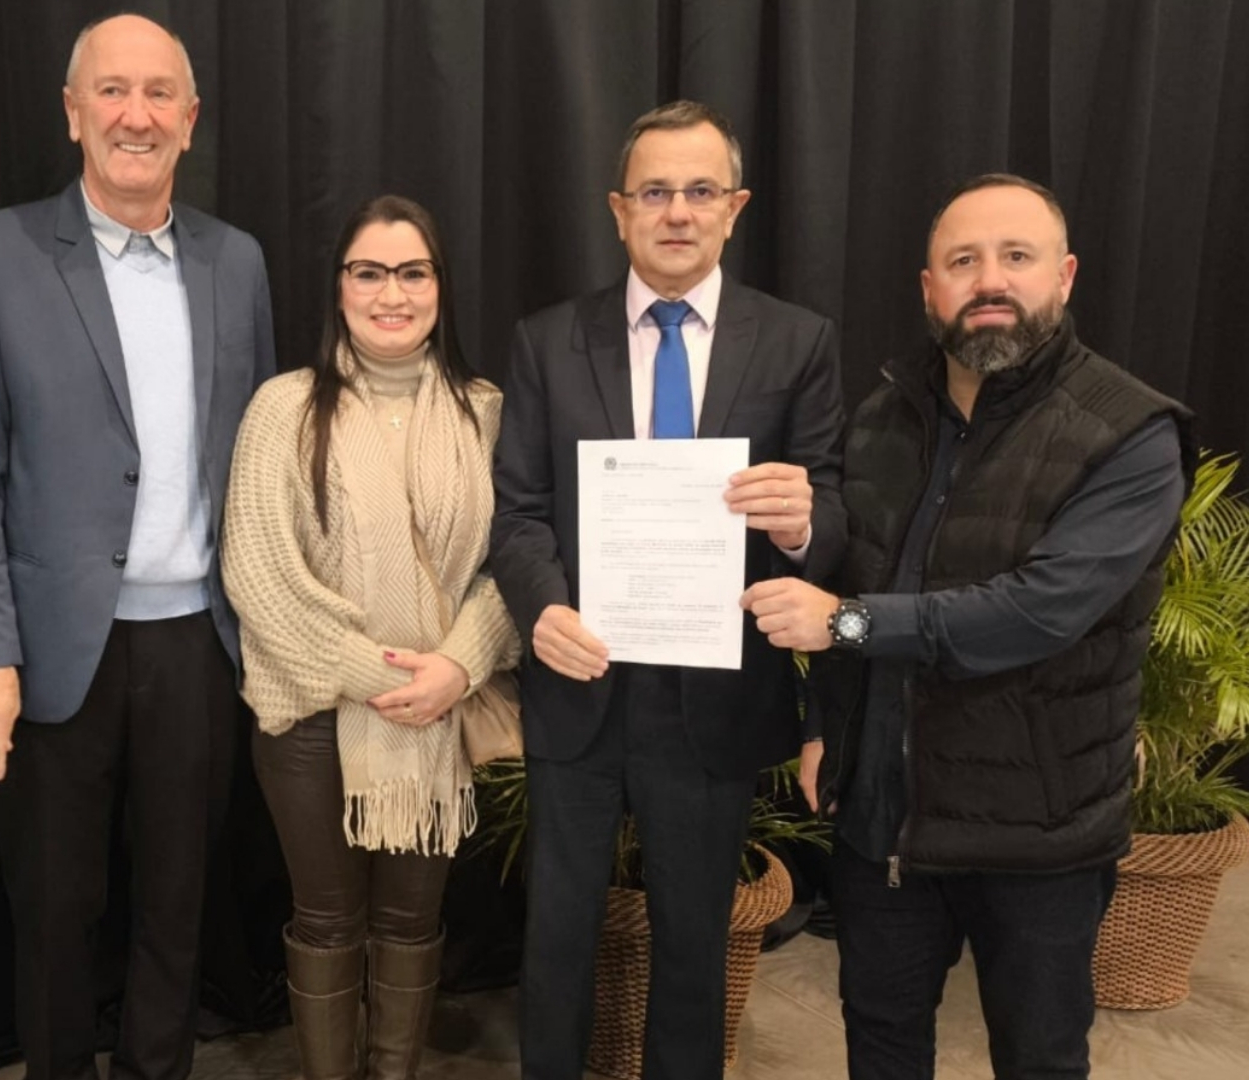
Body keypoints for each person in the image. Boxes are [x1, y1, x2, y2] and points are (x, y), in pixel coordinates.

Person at [741, 173, 1194, 1080]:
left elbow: (1040, 610)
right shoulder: (884, 417)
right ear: (929, 288)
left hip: (1038, 835)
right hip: (887, 823)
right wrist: (828, 727)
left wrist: (848, 626)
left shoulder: (1130, 434)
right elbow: (849, 570)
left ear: (1063, 275)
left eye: (1015, 256)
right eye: (963, 261)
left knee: (1040, 1057)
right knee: (880, 1043)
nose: (990, 280)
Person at [0, 14, 275, 1080]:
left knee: (178, 906)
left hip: (199, 644)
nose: (137, 115)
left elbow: (260, 457)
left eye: (159, 93)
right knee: (53, 911)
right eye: (113, 91)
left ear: (191, 118)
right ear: (72, 112)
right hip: (50, 652)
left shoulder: (238, 262)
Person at [488, 99, 847, 1080]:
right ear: (618, 211)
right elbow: (517, 511)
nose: (677, 212)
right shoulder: (548, 341)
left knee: (695, 944)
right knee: (556, 937)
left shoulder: (797, 342)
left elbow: (835, 515)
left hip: (715, 696)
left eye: (699, 191)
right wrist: (542, 606)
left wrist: (800, 521)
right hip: (581, 681)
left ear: (735, 207)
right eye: (654, 192)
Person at [222, 195, 520, 1080]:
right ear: (340, 288)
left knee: (410, 923)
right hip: (313, 716)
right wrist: (379, 673)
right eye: (369, 272)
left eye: (412, 272)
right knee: (326, 922)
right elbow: (258, 572)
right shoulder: (283, 409)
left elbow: (513, 563)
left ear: (440, 287)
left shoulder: (484, 412)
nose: (392, 293)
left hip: (437, 714)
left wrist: (458, 667)